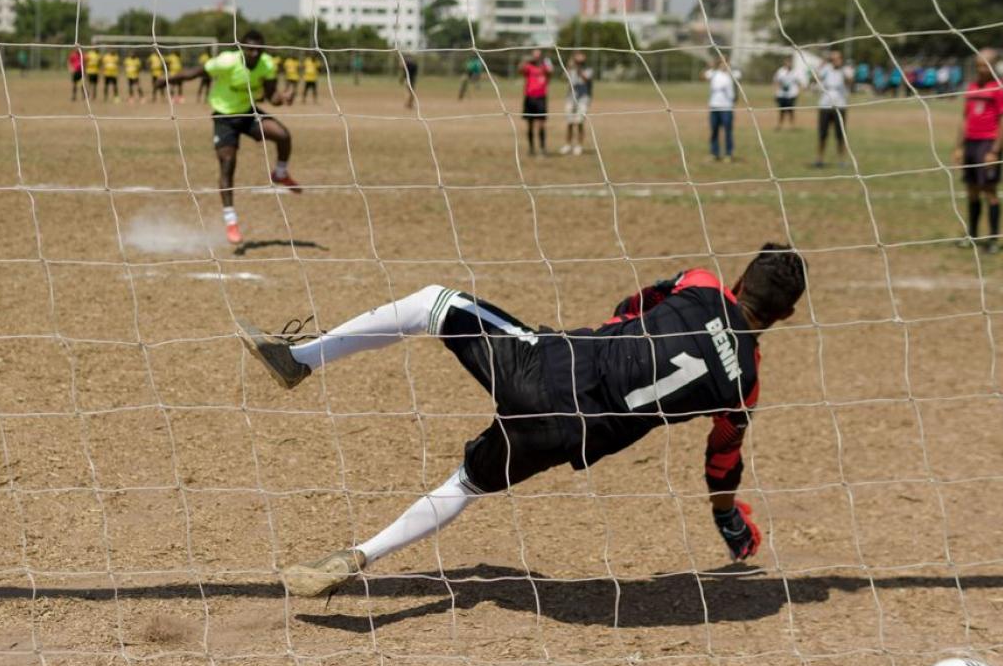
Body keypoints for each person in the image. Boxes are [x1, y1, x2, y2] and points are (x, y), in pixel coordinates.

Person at [235, 245, 808, 596]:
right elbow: (720, 462)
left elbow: (636, 303)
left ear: (739, 281)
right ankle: (361, 555)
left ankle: (299, 360)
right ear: (785, 315)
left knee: (433, 303)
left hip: (550, 366)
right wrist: (728, 518)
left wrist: (617, 332)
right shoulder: (745, 386)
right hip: (570, 434)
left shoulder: (704, 283)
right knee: (466, 481)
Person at [156, 30, 301, 246]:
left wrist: (284, 98)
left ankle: (280, 173)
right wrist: (168, 79)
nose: (254, 53)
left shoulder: (268, 64)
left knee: (282, 135)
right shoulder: (226, 61)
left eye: (258, 49)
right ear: (241, 48)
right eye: (250, 49)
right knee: (228, 164)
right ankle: (231, 221)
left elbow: (272, 97)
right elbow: (195, 72)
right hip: (224, 117)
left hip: (248, 113)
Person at [956, 49, 1003, 253]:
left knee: (989, 191)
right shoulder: (971, 86)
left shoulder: (999, 88)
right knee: (971, 190)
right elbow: (965, 118)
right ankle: (972, 235)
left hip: (988, 144)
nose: (980, 69)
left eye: (984, 65)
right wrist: (959, 146)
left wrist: (995, 150)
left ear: (994, 66)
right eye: (978, 65)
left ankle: (994, 239)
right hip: (971, 142)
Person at [814, 50, 851, 168]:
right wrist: (823, 63)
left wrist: (842, 71)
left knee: (840, 135)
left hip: (840, 106)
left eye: (838, 58)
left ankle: (841, 160)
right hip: (825, 106)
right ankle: (819, 159)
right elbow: (816, 77)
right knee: (822, 134)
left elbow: (850, 81)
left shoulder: (846, 70)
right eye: (833, 59)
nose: (835, 61)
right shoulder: (826, 68)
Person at [518, 49, 553, 155]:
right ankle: (531, 148)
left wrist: (545, 63)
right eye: (534, 55)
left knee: (541, 124)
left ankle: (542, 148)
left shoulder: (545, 66)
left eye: (538, 55)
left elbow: (550, 73)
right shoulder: (529, 66)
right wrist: (524, 60)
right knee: (530, 124)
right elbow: (519, 70)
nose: (536, 57)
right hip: (529, 98)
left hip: (541, 98)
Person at [704, 57, 739, 162]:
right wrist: (711, 64)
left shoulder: (732, 74)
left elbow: (739, 74)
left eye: (726, 62)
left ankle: (729, 154)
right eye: (722, 63)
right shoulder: (714, 74)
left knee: (728, 131)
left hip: (727, 107)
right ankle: (714, 153)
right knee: (714, 130)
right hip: (714, 106)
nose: (724, 65)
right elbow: (704, 75)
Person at [561, 51, 593, 156]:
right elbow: (563, 78)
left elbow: (586, 79)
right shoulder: (572, 69)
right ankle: (568, 145)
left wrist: (577, 68)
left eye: (581, 56)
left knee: (579, 122)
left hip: (583, 99)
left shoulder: (588, 69)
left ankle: (579, 146)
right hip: (570, 98)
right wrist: (569, 67)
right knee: (569, 122)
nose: (579, 58)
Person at [772, 59, 803, 130]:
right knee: (781, 111)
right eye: (787, 62)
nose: (788, 64)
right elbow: (776, 81)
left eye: (790, 63)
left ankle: (792, 126)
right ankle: (779, 125)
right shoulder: (780, 71)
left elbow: (799, 82)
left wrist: (799, 92)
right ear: (785, 63)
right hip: (782, 94)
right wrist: (775, 92)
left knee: (791, 111)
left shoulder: (795, 72)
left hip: (791, 95)